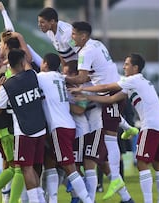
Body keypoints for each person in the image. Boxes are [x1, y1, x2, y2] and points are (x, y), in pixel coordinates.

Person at [71, 53, 159, 203]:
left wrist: (82, 89)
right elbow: (111, 99)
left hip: (150, 127)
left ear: (135, 67)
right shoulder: (140, 81)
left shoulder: (131, 80)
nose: (124, 66)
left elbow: (105, 87)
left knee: (142, 163)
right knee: (158, 164)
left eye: (127, 64)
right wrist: (88, 97)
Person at [65, 21, 132, 200]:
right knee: (101, 152)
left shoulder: (86, 52)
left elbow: (81, 78)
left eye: (74, 34)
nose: (72, 37)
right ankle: (128, 127)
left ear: (83, 36)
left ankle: (116, 179)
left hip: (111, 93)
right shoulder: (96, 44)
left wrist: (59, 78)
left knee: (110, 139)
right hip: (111, 91)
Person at [37, 53, 93, 203]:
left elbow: (28, 67)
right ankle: (52, 200)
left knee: (69, 168)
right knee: (49, 162)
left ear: (45, 63)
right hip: (67, 125)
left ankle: (87, 200)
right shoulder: (60, 77)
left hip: (59, 127)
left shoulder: (42, 77)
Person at [0, 49, 47, 203]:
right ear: (23, 61)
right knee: (34, 168)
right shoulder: (32, 76)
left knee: (26, 168)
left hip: (24, 132)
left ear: (8, 64)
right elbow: (29, 66)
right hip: (40, 128)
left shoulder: (6, 87)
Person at [37, 7, 78, 72]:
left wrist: (82, 69)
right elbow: (61, 52)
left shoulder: (66, 33)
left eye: (42, 22)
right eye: (38, 22)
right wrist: (64, 69)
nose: (39, 25)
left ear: (52, 21)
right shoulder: (49, 32)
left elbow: (82, 51)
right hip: (70, 68)